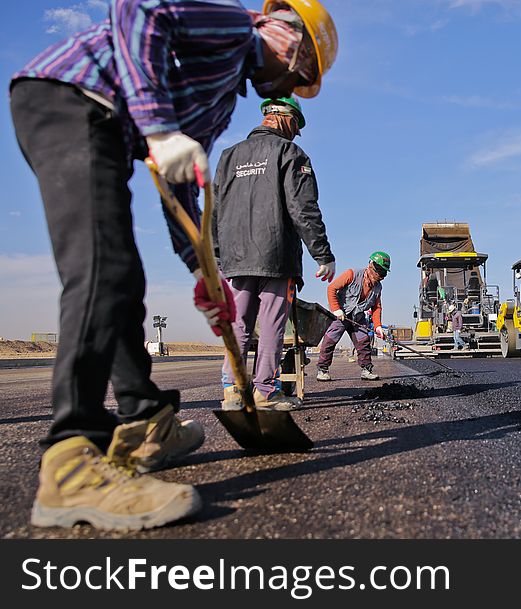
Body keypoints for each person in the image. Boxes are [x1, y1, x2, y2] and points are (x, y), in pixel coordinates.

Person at [9, 0, 337, 531]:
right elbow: (137, 10)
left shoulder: (220, 101)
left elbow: (180, 182)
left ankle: (145, 420)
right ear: (289, 40)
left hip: (104, 125)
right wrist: (159, 128)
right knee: (101, 273)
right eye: (298, 74)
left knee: (124, 281)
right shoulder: (233, 25)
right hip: (69, 98)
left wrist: (201, 270)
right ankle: (71, 462)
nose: (290, 84)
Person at [214, 97, 335, 411]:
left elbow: (214, 210)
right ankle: (265, 391)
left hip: (235, 258)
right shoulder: (290, 153)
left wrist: (218, 254)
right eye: (297, 126)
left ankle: (233, 390)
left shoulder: (228, 157)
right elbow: (303, 209)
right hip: (275, 255)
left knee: (238, 323)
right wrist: (322, 254)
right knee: (271, 325)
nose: (296, 133)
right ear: (286, 118)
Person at [316, 252, 391, 381]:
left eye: (383, 273)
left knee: (364, 342)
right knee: (330, 341)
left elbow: (376, 308)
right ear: (370, 266)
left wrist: (378, 326)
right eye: (379, 272)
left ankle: (366, 370)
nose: (380, 276)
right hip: (341, 315)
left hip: (358, 317)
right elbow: (332, 288)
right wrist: (336, 309)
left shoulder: (378, 287)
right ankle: (323, 370)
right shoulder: (352, 274)